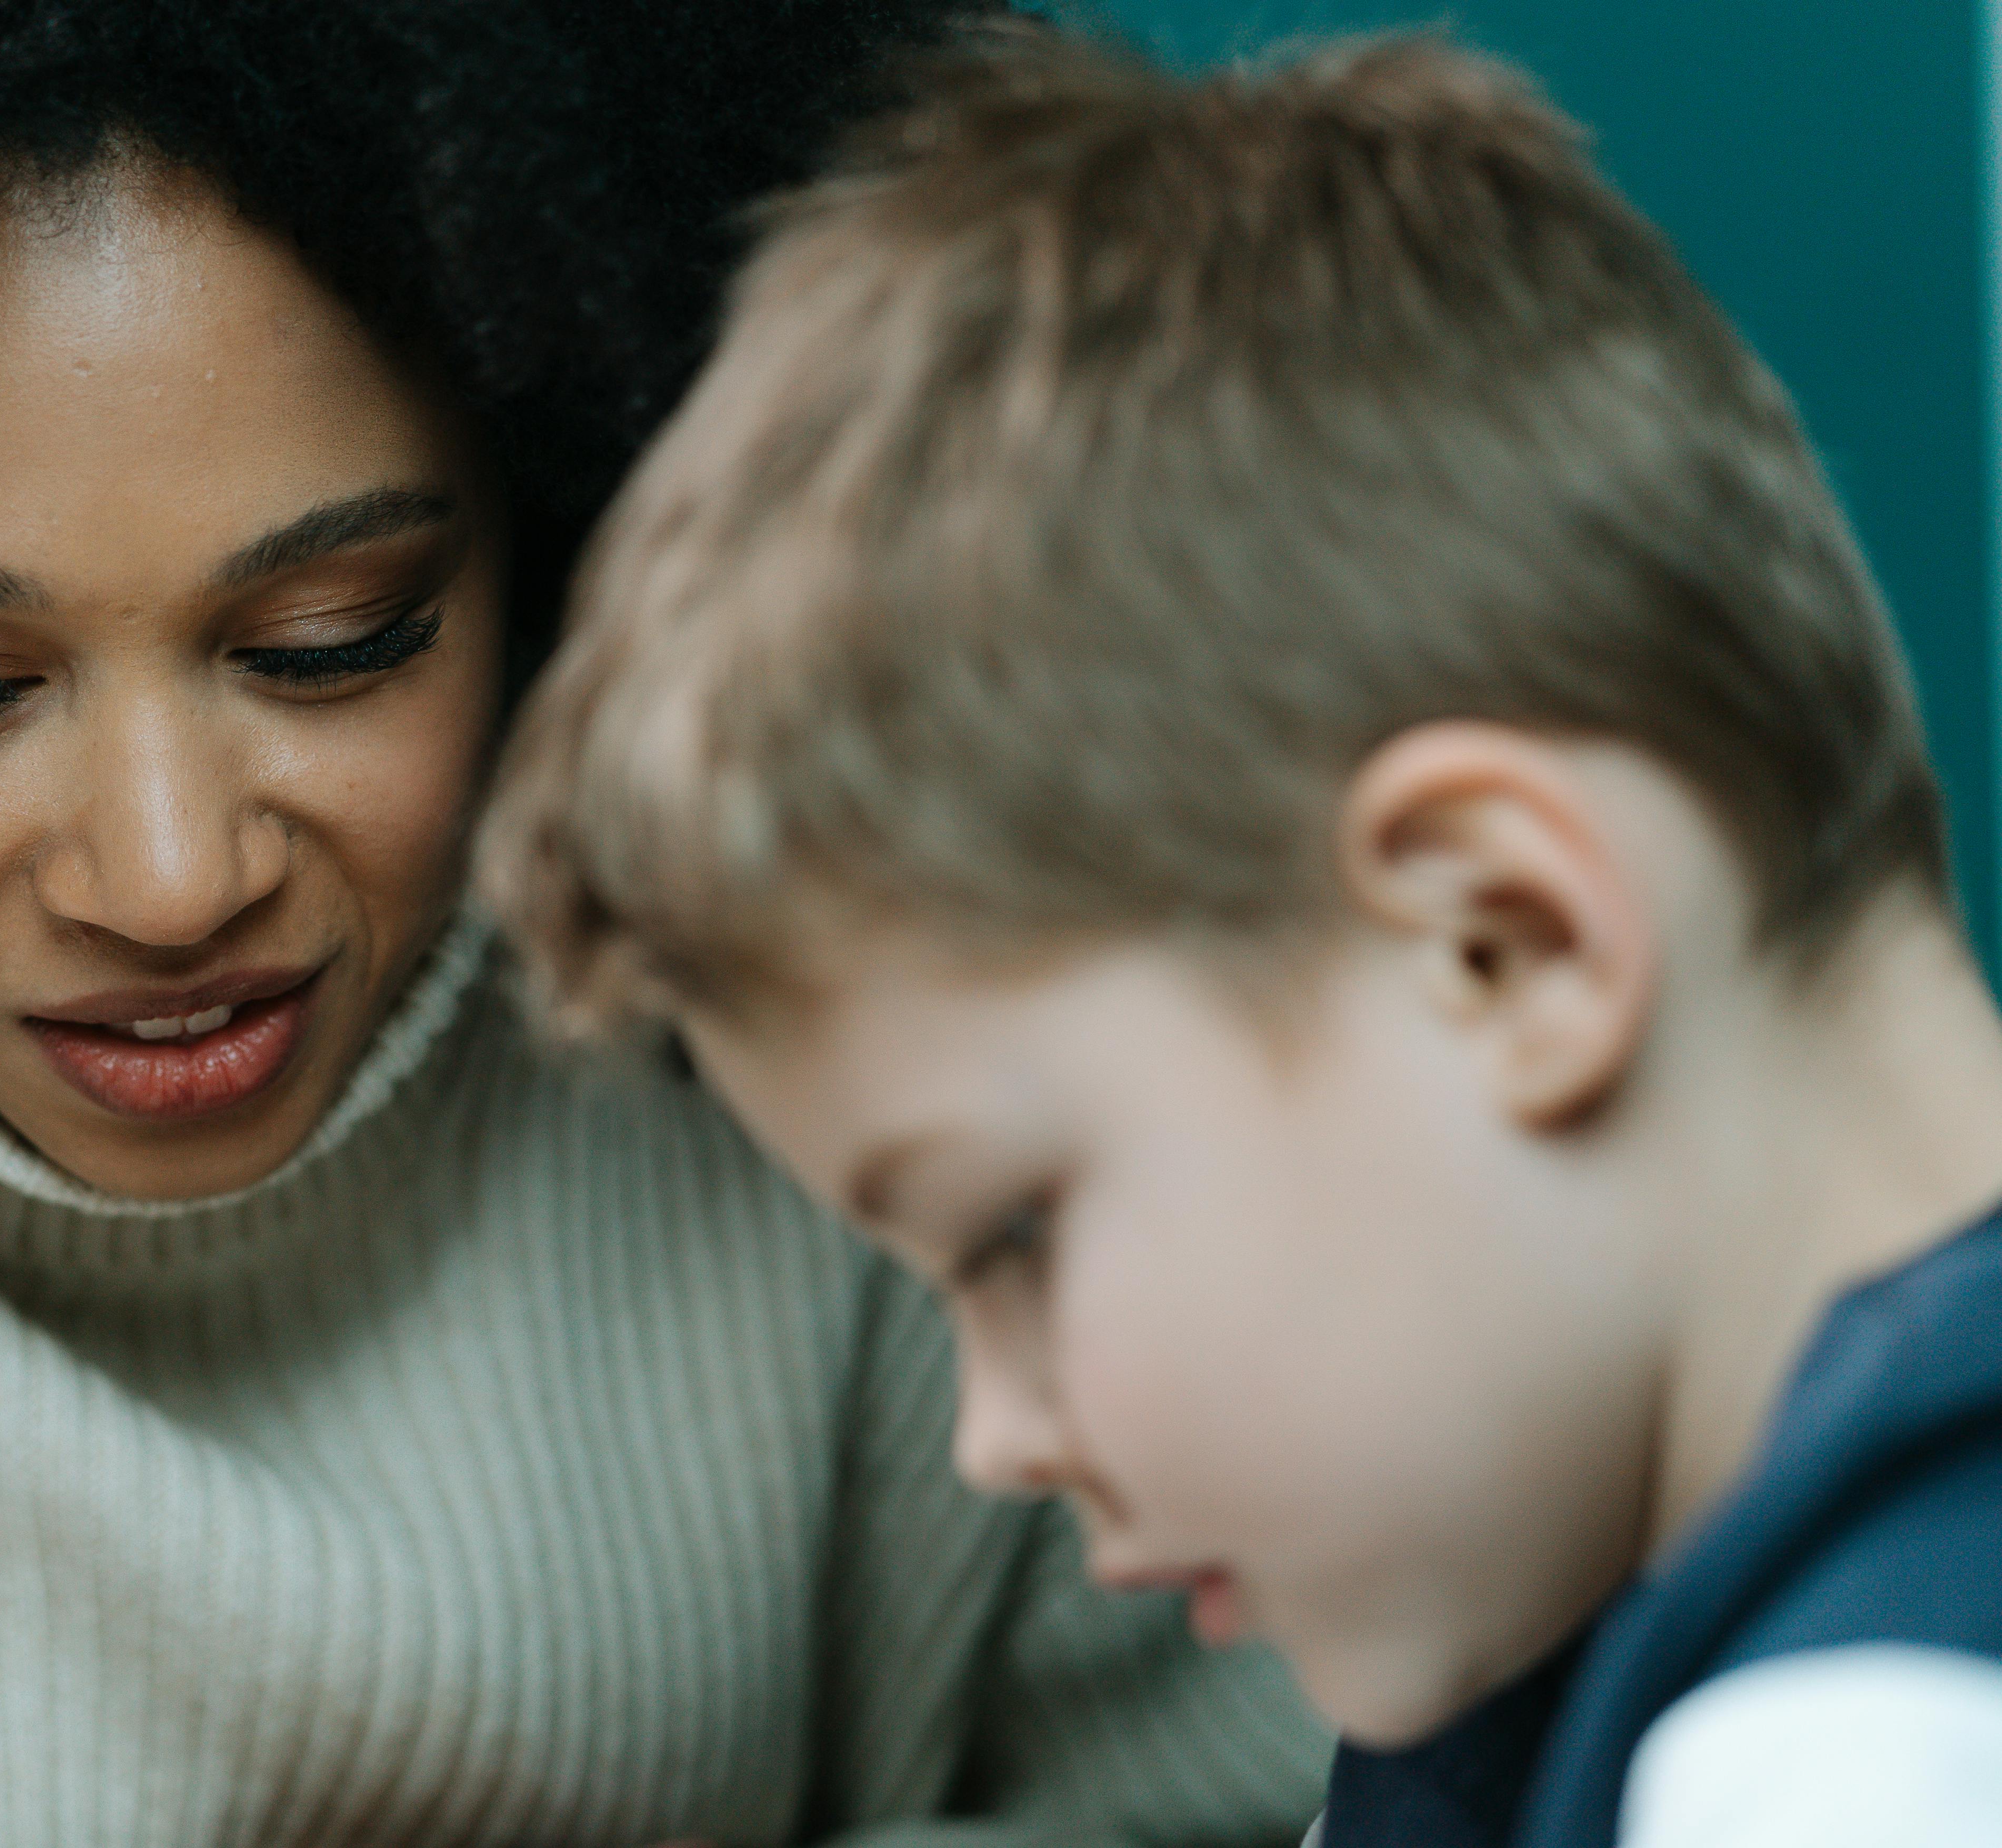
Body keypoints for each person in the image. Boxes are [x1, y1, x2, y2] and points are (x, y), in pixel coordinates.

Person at [0, 4, 1329, 1844]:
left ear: (570, 497)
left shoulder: (819, 943)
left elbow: (1297, 1802)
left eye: (339, 642)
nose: (172, 876)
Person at [478, 22, 2002, 1848]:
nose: (997, 1435)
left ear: (1498, 943)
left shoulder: (1878, 1749)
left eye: (1015, 1230)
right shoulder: (1569, 1611)